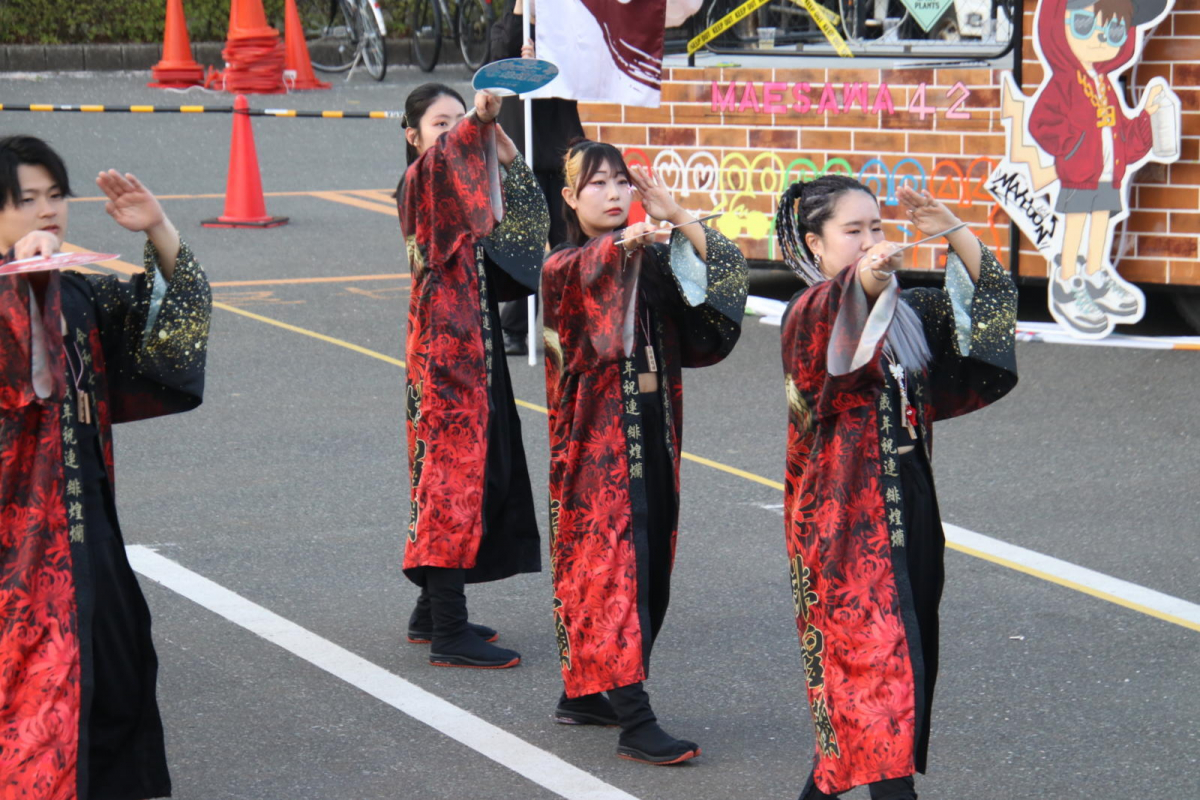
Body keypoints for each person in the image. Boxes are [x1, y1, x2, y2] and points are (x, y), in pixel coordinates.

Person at [775, 175, 1018, 799]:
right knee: (878, 679)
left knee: (894, 672)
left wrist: (954, 230)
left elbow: (987, 311)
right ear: (816, 244)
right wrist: (867, 279)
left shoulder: (909, 313)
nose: (871, 242)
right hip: (844, 521)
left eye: (877, 228)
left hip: (907, 498)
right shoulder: (808, 313)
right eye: (852, 232)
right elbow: (842, 321)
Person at [0, 135, 211, 798]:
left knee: (114, 683)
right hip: (19, 562)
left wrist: (161, 231)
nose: (46, 211)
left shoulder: (77, 296)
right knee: (36, 715)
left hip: (89, 539)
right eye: (26, 199)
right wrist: (23, 285)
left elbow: (170, 338)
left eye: (55, 195)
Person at [541, 140, 747, 764]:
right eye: (596, 185)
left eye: (621, 183)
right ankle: (634, 717)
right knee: (613, 573)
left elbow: (725, 285)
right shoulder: (564, 266)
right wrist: (624, 245)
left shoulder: (651, 259)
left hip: (654, 430)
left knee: (651, 567)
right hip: (597, 446)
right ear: (570, 198)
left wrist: (679, 216)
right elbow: (585, 285)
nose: (611, 194)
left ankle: (584, 693)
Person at [396, 84, 549, 669]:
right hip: (444, 362)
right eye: (440, 124)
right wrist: (474, 125)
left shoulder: (471, 191)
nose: (453, 133)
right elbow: (443, 161)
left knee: (479, 476)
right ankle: (448, 632)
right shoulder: (419, 185)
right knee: (448, 484)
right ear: (414, 138)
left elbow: (529, 241)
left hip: (477, 354)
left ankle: (431, 611)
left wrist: (506, 156)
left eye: (457, 121)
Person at [489, 0, 585, 355]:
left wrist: (547, 63)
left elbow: (583, 67)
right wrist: (520, 15)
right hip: (521, 149)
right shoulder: (509, 23)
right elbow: (497, 58)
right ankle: (513, 327)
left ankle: (575, 320)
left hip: (562, 146)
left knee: (570, 240)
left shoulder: (568, 26)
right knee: (524, 243)